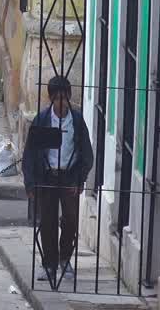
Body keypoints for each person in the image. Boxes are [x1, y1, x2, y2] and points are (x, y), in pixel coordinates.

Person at [22, 75, 94, 283]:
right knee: (47, 222)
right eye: (57, 99)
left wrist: (80, 179)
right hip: (47, 176)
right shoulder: (42, 119)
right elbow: (30, 153)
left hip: (69, 177)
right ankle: (49, 264)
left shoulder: (77, 121)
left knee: (71, 220)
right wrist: (30, 183)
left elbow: (86, 154)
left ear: (69, 97)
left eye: (64, 98)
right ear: (51, 99)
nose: (61, 103)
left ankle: (64, 258)